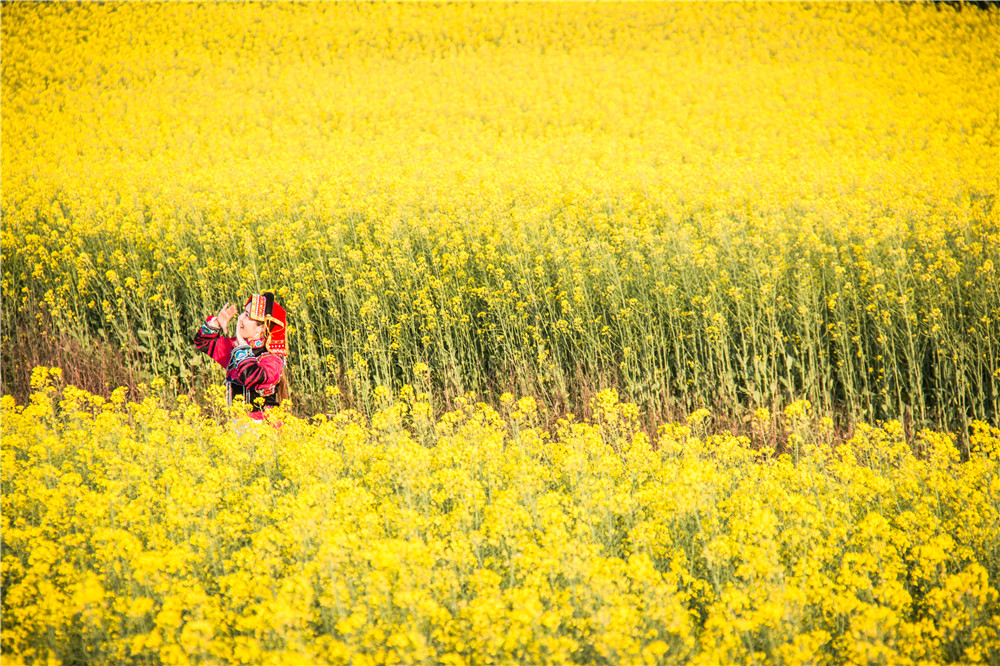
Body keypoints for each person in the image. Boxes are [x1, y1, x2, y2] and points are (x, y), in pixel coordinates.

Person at [194, 291, 289, 420]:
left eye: (247, 315)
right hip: (237, 426)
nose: (240, 318)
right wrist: (217, 322)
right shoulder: (234, 347)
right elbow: (203, 342)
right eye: (243, 312)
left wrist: (240, 343)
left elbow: (251, 377)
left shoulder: (272, 358)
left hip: (264, 427)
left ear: (260, 328)